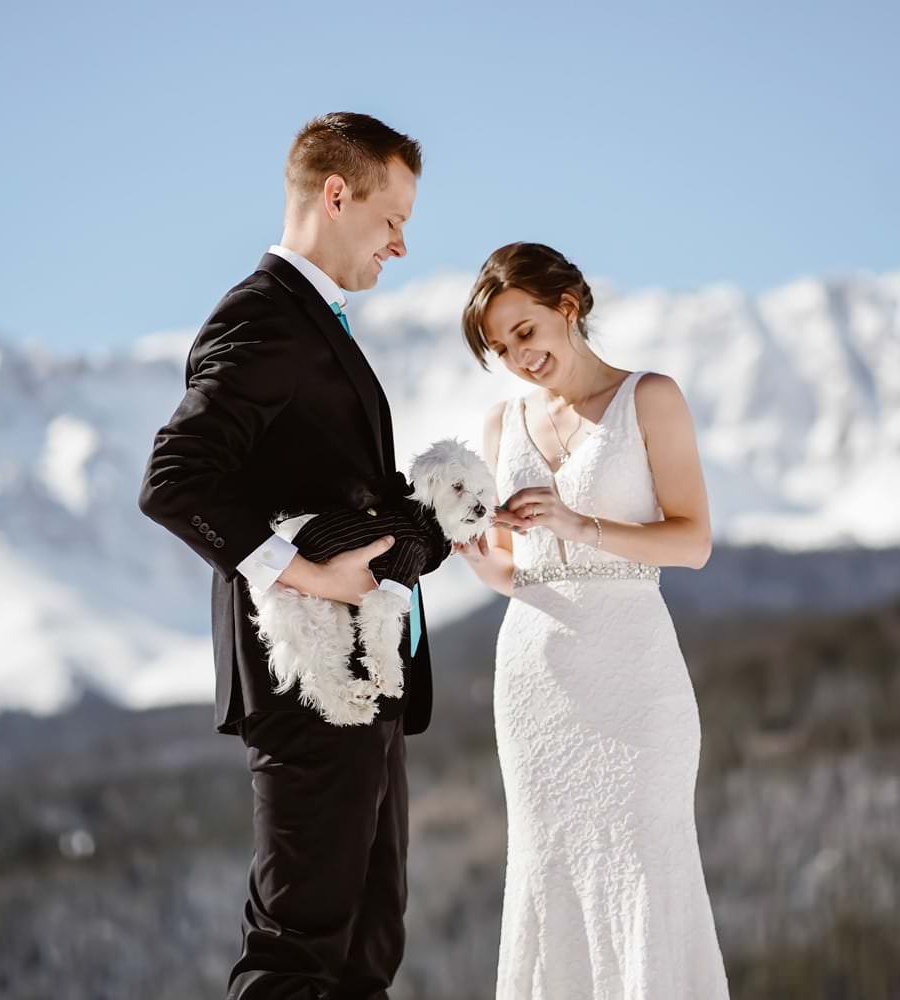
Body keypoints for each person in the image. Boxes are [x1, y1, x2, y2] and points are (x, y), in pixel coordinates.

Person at [138, 111, 429, 1000]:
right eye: (392, 220)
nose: (401, 246)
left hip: (366, 679)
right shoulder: (265, 318)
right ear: (335, 195)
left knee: (364, 953)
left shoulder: (314, 323)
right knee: (297, 956)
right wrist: (308, 574)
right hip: (310, 685)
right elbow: (174, 479)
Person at [457, 242, 731, 998]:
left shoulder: (651, 398)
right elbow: (523, 568)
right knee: (547, 868)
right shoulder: (500, 424)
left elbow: (694, 541)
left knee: (645, 862)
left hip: (635, 677)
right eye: (500, 347)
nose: (518, 357)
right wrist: (486, 566)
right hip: (535, 681)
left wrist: (581, 526)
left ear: (568, 309)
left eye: (526, 333)